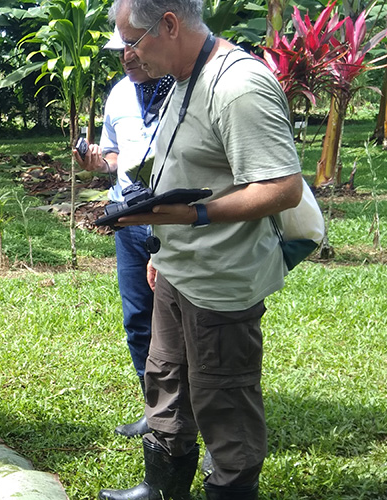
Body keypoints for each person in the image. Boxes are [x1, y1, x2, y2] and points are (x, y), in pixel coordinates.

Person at [98, 1, 304, 499]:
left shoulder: (237, 86)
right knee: (165, 379)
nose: (128, 54)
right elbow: (188, 170)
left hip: (219, 278)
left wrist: (194, 216)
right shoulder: (183, 77)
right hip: (176, 266)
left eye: (133, 40)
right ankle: (162, 487)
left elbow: (284, 187)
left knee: (223, 399)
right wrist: (159, 247)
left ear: (169, 24)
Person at [74, 28, 175, 438]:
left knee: (183, 323)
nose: (127, 58)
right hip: (130, 222)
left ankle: (193, 416)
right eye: (121, 51)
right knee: (138, 321)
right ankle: (157, 411)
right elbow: (114, 155)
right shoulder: (118, 94)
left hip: (174, 217)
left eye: (133, 47)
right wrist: (94, 161)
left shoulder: (184, 90)